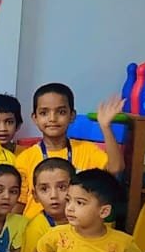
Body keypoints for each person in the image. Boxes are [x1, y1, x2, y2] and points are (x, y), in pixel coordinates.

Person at [15, 84, 124, 218]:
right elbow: (18, 205)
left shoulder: (87, 150)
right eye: (44, 113)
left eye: (61, 112)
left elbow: (115, 168)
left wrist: (105, 126)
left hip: (77, 226)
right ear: (35, 118)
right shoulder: (24, 158)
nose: (52, 118)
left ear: (72, 116)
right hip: (36, 226)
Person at [20, 157, 73, 252]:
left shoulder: (87, 220)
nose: (53, 195)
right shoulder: (36, 228)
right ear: (35, 195)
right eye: (44, 189)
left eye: (62, 187)